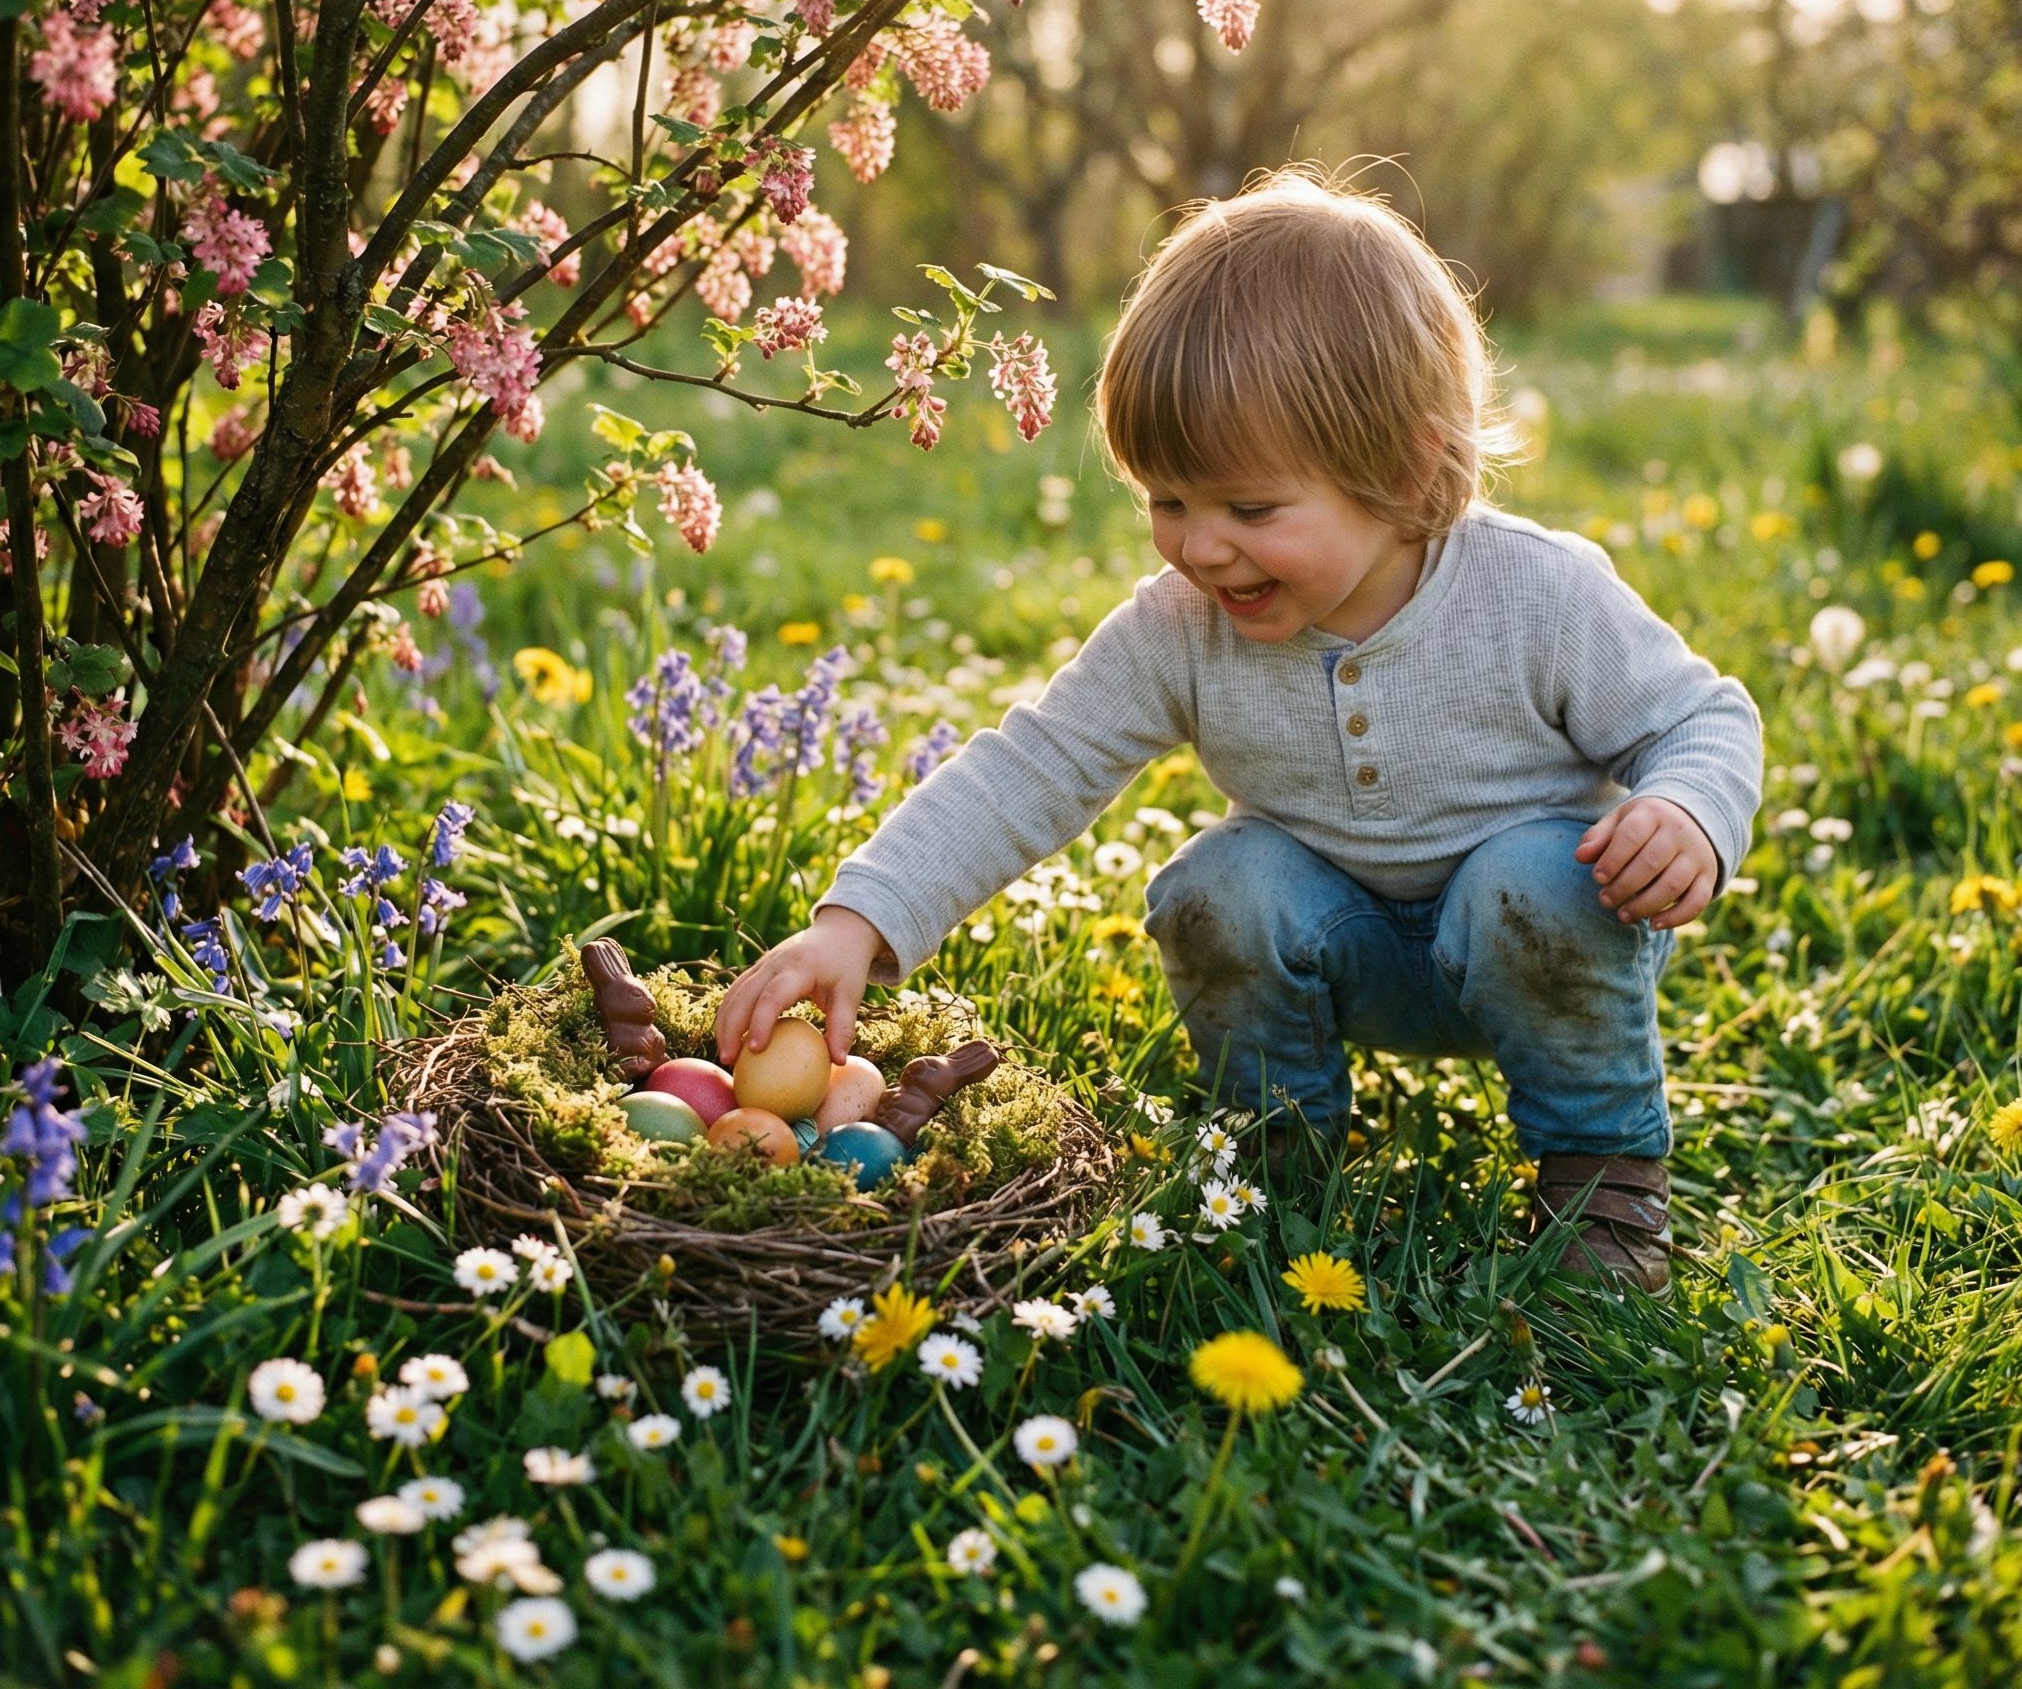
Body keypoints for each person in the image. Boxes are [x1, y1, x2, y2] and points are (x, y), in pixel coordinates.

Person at [715, 168, 1763, 1291]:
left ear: (1404, 468)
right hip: (1337, 941)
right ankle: (1271, 1156)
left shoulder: (1534, 596)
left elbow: (1704, 717)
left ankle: (1599, 1177)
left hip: (1535, 941)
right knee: (1223, 880)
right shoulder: (1180, 627)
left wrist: (1687, 811)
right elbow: (1035, 763)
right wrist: (857, 921)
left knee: (1530, 873)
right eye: (1167, 501)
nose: (1199, 548)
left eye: (1249, 509)